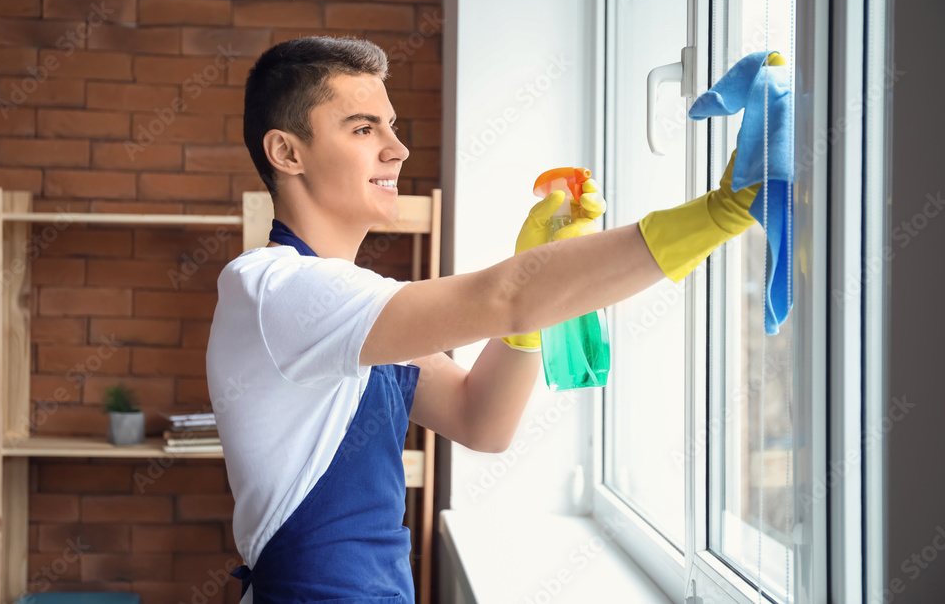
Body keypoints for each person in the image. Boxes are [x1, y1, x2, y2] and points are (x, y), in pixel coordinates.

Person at [205, 36, 761, 603]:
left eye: (392, 127)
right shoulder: (276, 289)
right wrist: (720, 214)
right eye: (363, 128)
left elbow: (482, 421)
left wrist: (528, 308)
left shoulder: (356, 306)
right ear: (287, 153)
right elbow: (504, 297)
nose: (398, 150)